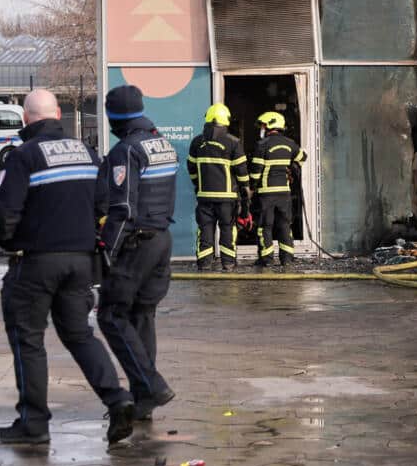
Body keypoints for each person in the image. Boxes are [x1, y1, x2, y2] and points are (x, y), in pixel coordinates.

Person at [0, 89, 134, 445]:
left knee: (29, 340)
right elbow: (105, 203)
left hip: (36, 263)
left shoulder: (24, 156)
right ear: (58, 114)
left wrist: (11, 244)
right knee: (79, 335)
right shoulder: (86, 152)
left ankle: (33, 423)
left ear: (26, 119)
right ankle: (118, 399)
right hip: (81, 262)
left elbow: (5, 214)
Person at [96, 85, 177, 421]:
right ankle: (144, 399)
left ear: (113, 116)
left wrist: (106, 252)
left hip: (136, 243)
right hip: (161, 239)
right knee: (143, 315)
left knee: (111, 315)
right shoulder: (163, 144)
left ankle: (151, 385)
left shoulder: (125, 151)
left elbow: (122, 207)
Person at [187, 103, 251, 271]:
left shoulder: (197, 142)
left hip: (204, 197)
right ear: (226, 120)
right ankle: (228, 263)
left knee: (205, 230)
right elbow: (242, 173)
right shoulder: (233, 143)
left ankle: (204, 263)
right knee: (228, 229)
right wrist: (245, 193)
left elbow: (192, 170)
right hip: (227, 199)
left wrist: (198, 186)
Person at [249, 111, 306, 268]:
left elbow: (255, 172)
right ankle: (287, 259)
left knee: (265, 227)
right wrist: (292, 167)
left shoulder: (262, 145)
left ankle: (266, 260)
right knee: (284, 225)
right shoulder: (290, 143)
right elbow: (302, 156)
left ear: (269, 125)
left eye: (263, 125)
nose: (261, 128)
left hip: (266, 194)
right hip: (284, 194)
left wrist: (251, 187)